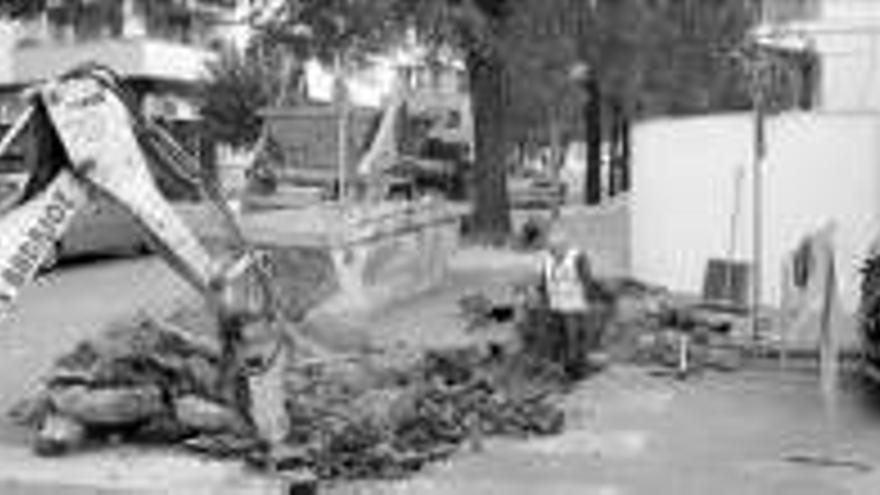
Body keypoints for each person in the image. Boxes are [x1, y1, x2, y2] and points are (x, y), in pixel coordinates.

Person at [538, 229, 604, 379]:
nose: (554, 253)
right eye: (551, 249)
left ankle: (576, 370)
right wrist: (544, 302)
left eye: (556, 249)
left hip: (574, 307)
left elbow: (587, 281)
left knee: (573, 338)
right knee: (558, 338)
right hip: (556, 307)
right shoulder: (548, 260)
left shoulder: (578, 258)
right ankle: (561, 368)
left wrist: (588, 300)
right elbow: (544, 282)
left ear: (565, 246)